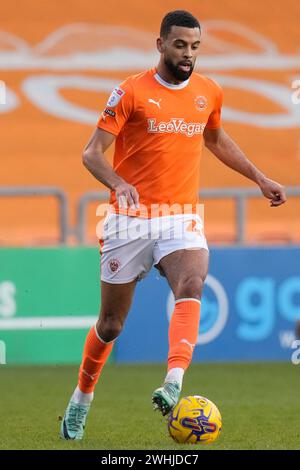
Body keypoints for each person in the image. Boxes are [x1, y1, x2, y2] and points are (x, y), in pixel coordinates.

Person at [60, 10, 286, 440]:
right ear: (160, 43)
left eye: (195, 46)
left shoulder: (208, 91)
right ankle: (81, 399)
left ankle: (174, 380)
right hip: (128, 220)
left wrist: (259, 177)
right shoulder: (129, 91)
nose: (188, 54)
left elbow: (215, 138)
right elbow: (92, 153)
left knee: (193, 282)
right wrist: (118, 182)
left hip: (179, 216)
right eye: (180, 45)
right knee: (111, 325)